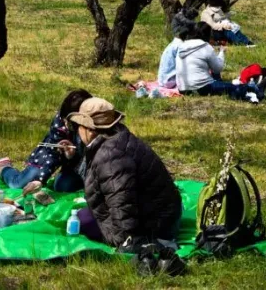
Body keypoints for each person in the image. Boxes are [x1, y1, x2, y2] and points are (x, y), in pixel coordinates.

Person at [66, 97, 182, 250]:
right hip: (161, 212)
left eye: (78, 126)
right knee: (84, 215)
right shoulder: (117, 139)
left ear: (89, 129)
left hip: (156, 224)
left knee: (82, 220)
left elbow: (122, 201)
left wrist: (127, 241)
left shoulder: (110, 155)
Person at [0, 89, 91, 193]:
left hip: (88, 166)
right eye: (65, 119)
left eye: (70, 120)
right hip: (55, 157)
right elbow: (53, 155)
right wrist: (41, 179)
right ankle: (0, 168)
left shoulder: (97, 123)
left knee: (67, 187)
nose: (66, 123)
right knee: (19, 184)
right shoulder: (60, 123)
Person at [176, 22, 259, 100]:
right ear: (208, 35)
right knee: (231, 87)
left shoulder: (182, 47)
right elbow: (217, 69)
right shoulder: (205, 47)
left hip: (182, 88)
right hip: (202, 87)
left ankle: (225, 84)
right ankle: (250, 87)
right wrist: (221, 53)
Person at [156, 11, 196, 88]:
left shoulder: (173, 44)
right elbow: (182, 66)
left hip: (162, 79)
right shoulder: (180, 46)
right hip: (169, 81)